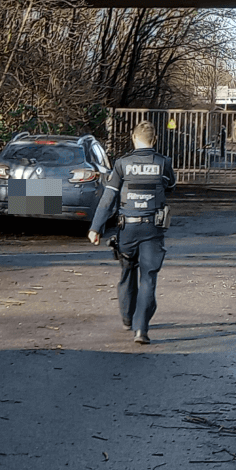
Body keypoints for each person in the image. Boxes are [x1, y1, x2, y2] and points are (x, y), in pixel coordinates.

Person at [87, 122, 177, 345]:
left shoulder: (122, 164)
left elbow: (108, 199)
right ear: (154, 140)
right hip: (152, 229)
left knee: (127, 272)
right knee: (148, 278)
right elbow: (171, 185)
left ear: (133, 138)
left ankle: (127, 318)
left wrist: (95, 228)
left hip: (127, 228)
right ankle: (141, 329)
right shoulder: (163, 163)